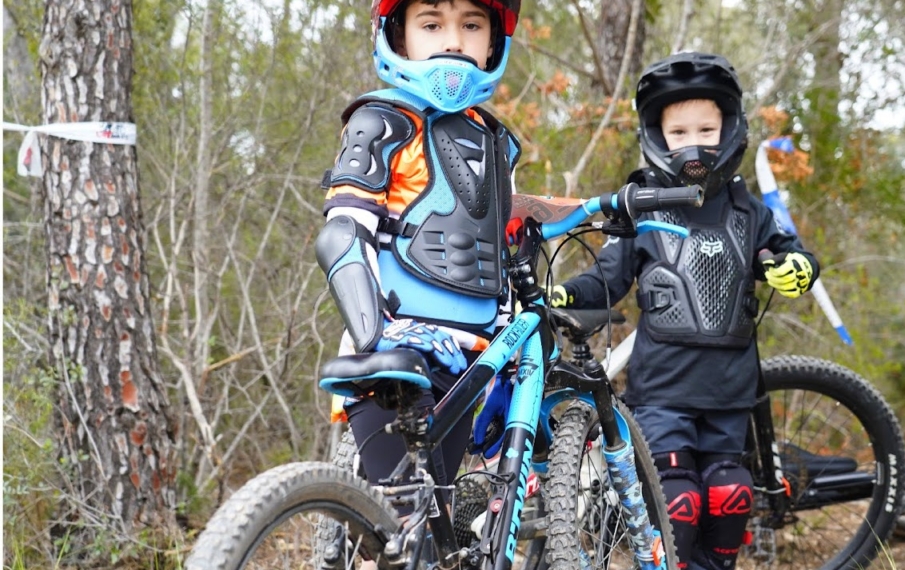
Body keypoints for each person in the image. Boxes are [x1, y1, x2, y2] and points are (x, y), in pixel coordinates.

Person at [548, 52, 820, 570]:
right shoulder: (643, 210)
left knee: (732, 495)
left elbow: (794, 254)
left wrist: (798, 269)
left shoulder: (751, 213)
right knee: (680, 503)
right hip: (662, 394)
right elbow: (606, 278)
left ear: (729, 130)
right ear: (657, 135)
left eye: (706, 129)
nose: (693, 143)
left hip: (730, 394)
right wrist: (564, 295)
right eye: (679, 132)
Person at [315, 0, 523, 495]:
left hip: (469, 363)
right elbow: (342, 233)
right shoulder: (381, 121)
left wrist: (509, 361)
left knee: (435, 523)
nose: (453, 41)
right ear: (399, 35)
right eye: (432, 24)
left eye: (471, 25)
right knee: (398, 523)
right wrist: (377, 338)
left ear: (493, 40)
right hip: (396, 355)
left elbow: (499, 257)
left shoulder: (497, 142)